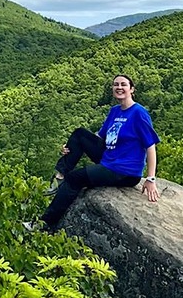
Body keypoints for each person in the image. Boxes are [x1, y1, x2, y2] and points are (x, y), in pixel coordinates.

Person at [33, 74, 160, 232]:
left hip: (124, 171)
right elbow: (99, 137)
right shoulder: (115, 111)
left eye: (123, 84)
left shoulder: (139, 113)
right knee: (79, 134)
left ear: (132, 89)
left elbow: (150, 146)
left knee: (74, 179)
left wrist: (150, 178)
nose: (119, 87)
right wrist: (71, 145)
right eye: (115, 85)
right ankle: (59, 176)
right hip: (109, 158)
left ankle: (45, 223)